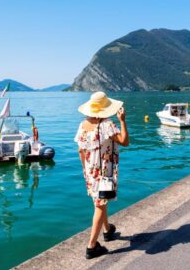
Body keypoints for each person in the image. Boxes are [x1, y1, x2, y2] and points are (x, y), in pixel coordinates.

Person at [74, 91, 129, 259]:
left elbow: (80, 151)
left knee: (100, 201)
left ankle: (107, 230)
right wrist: (122, 121)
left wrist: (86, 170)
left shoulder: (83, 125)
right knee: (100, 205)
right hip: (104, 173)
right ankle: (91, 246)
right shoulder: (107, 124)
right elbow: (125, 141)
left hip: (90, 171)